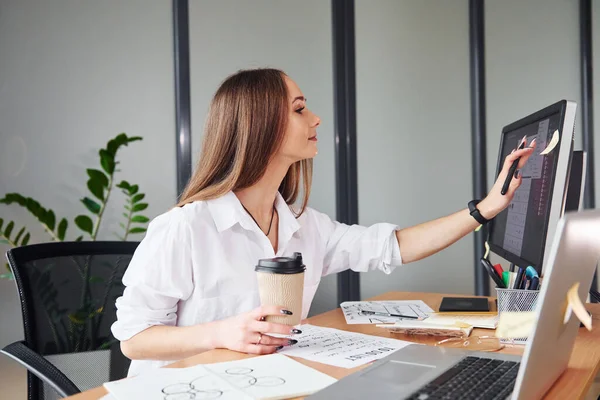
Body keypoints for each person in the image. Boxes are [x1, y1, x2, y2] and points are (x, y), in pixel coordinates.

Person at [111, 68, 535, 376]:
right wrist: (221, 333)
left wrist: (483, 210)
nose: (315, 118)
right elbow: (133, 340)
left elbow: (394, 246)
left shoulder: (303, 225)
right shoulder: (185, 228)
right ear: (262, 126)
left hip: (264, 382)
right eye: (299, 109)